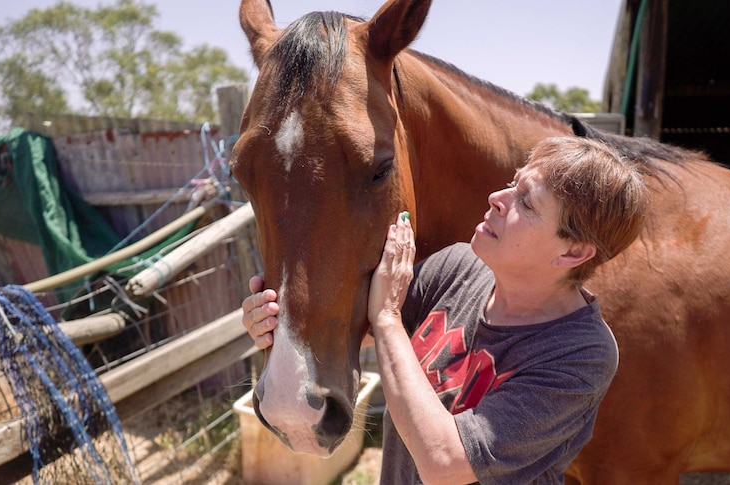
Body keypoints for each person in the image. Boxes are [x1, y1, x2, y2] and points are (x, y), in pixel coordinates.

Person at [243, 136, 650, 484]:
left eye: (526, 203)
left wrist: (386, 318)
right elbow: (359, 330)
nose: (497, 198)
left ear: (573, 251)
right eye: (513, 184)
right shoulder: (458, 266)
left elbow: (445, 463)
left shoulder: (580, 355)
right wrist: (283, 324)